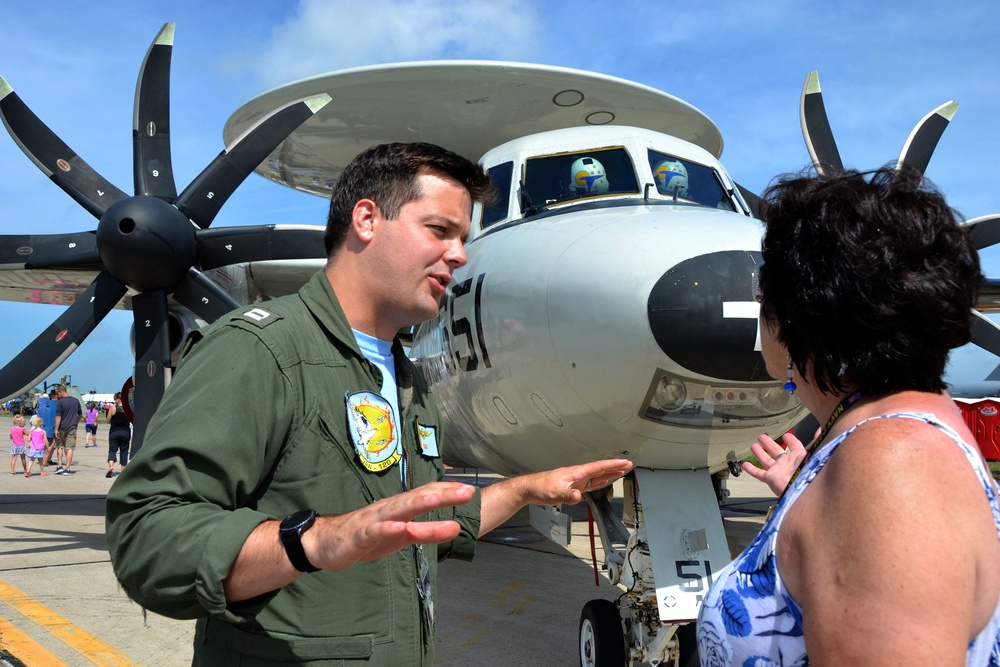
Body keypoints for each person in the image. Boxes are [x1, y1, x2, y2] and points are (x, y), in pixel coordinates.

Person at [105, 142, 633, 666]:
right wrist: (314, 541)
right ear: (367, 220)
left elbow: (421, 526)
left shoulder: (411, 382)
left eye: (463, 238)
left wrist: (524, 490)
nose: (460, 254)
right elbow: (147, 535)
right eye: (439, 230)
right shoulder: (260, 350)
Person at [697, 166, 1000, 665]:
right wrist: (816, 496)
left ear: (798, 316)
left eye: (762, 297)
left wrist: (865, 489)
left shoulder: (894, 465)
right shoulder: (895, 442)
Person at [53, 385, 81, 476]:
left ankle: (59, 466)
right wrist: (76, 422)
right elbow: (80, 414)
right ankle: (67, 468)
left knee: (60, 446)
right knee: (70, 448)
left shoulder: (60, 402)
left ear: (61, 392)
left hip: (62, 427)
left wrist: (56, 428)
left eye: (58, 393)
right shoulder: (75, 401)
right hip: (72, 427)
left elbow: (58, 416)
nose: (57, 395)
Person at [105, 392, 131, 478]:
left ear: (117, 399)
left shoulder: (113, 408)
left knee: (112, 450)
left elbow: (108, 421)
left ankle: (111, 466)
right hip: (125, 432)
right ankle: (123, 471)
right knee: (124, 451)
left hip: (114, 432)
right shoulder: (128, 408)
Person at [41, 390, 57, 466]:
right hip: (52, 428)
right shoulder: (54, 405)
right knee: (51, 445)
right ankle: (45, 460)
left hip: (45, 427)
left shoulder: (46, 404)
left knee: (47, 445)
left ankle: (45, 459)